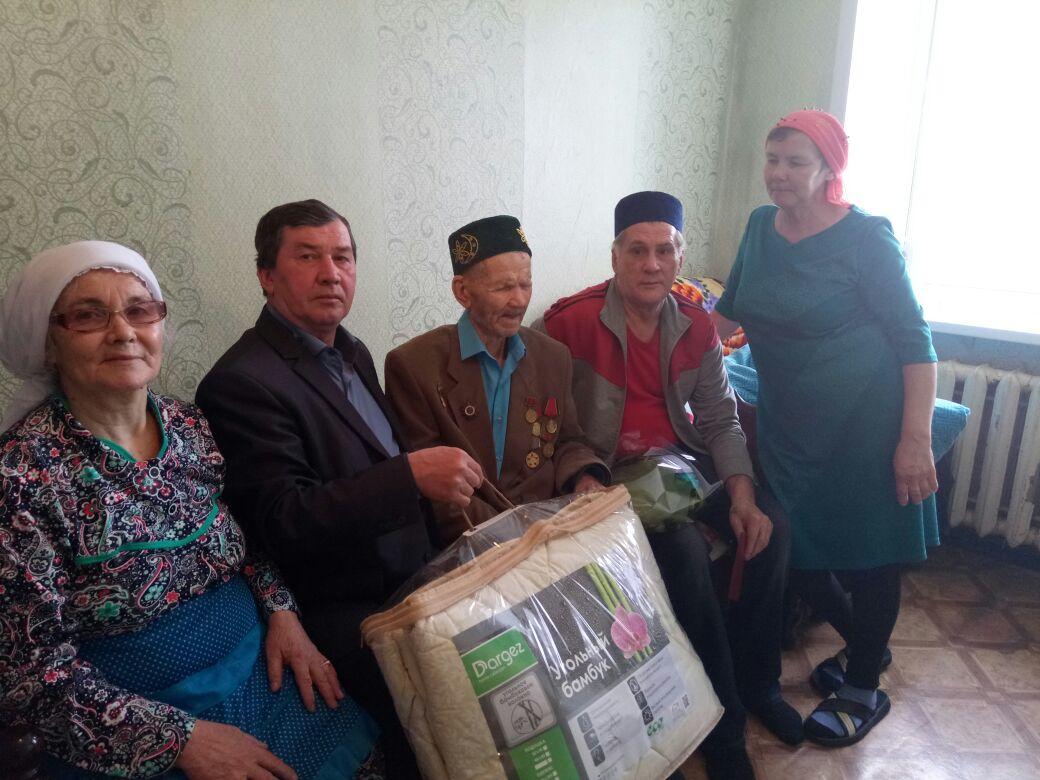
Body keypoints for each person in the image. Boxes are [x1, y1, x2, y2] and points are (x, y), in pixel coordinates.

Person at [0, 241, 382, 779]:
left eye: (140, 310)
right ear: (49, 342)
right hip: (142, 719)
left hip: (259, 670)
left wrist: (283, 613)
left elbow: (245, 538)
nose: (123, 332)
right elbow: (28, 676)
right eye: (88, 316)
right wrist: (180, 741)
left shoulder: (189, 425)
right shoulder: (20, 474)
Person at [195, 199, 482, 778]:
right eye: (308, 257)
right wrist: (409, 477)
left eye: (343, 257)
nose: (331, 273)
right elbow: (283, 520)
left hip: (414, 581)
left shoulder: (351, 351)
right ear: (266, 275)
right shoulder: (241, 382)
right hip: (343, 612)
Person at [536, 191, 799, 780]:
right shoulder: (568, 324)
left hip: (684, 469)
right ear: (614, 257)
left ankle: (759, 684)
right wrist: (581, 477)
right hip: (613, 483)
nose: (651, 264)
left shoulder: (696, 323)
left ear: (680, 258)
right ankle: (722, 726)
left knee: (772, 529)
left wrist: (743, 497)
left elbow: (721, 420)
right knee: (683, 552)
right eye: (636, 251)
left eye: (664, 251)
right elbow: (547, 420)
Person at [711, 109, 939, 747]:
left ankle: (863, 685)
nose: (779, 174)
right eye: (772, 159)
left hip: (866, 422)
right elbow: (726, 314)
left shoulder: (867, 238)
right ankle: (869, 643)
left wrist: (914, 440)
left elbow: (916, 342)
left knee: (871, 555)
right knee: (796, 545)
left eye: (796, 162)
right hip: (790, 425)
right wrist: (668, 346)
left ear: (828, 169)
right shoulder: (760, 226)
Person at [383, 215, 609, 544]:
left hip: (548, 533)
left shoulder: (553, 357)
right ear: (463, 291)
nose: (519, 300)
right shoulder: (414, 366)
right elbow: (433, 488)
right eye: (503, 287)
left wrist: (585, 476)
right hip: (464, 542)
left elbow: (567, 441)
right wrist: (514, 537)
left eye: (525, 284)